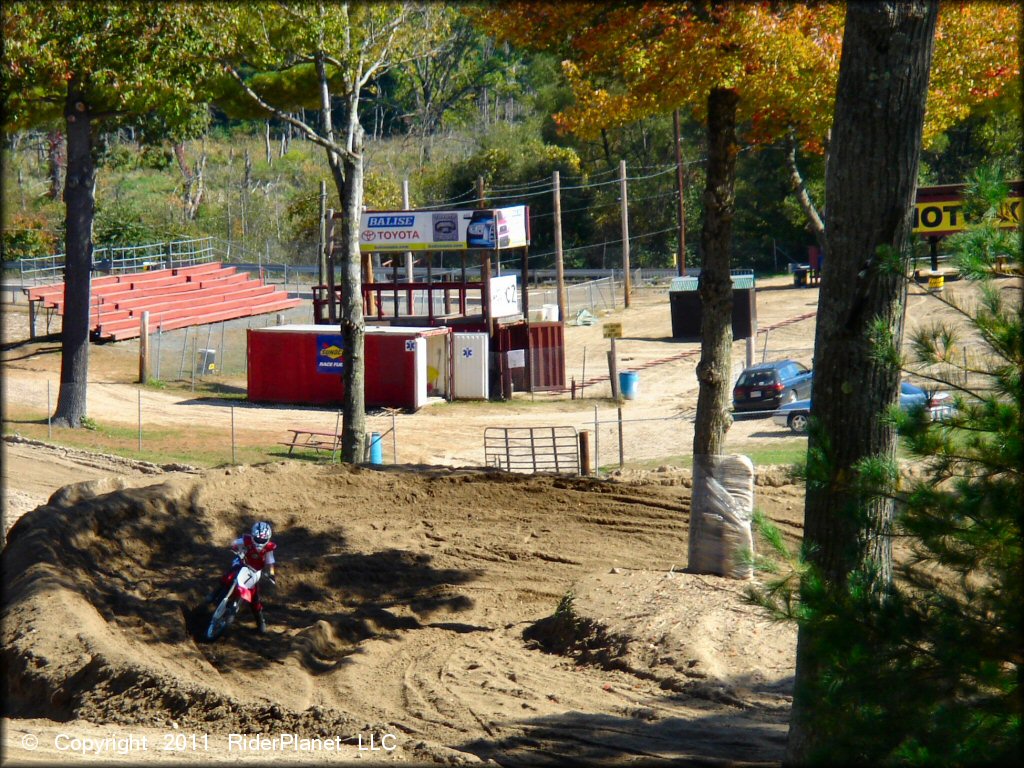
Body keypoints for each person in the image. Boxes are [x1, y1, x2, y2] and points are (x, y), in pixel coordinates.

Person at [206, 521, 277, 634]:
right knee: (229, 575)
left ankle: (260, 620)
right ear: (253, 536)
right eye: (258, 539)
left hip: (255, 572)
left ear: (267, 539)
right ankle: (215, 593)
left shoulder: (268, 548)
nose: (260, 543)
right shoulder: (247, 540)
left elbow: (270, 563)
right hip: (243, 563)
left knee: (254, 596)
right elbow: (235, 543)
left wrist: (271, 574)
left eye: (262, 540)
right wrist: (237, 549)